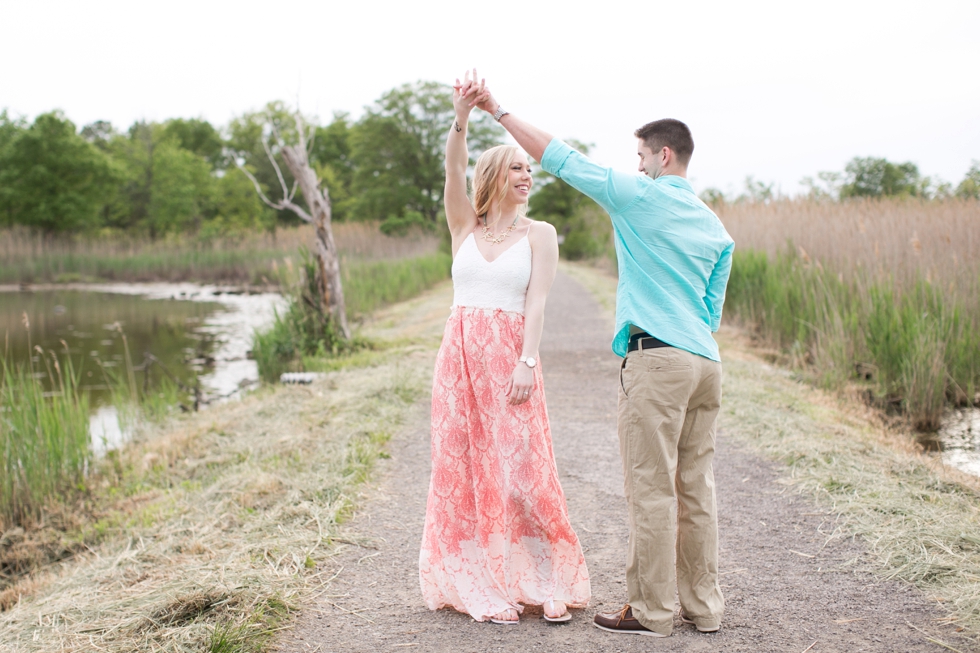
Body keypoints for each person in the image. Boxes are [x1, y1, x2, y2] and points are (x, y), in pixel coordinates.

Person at [462, 78, 734, 638]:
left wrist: (499, 110)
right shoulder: (715, 226)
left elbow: (559, 158)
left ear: (663, 156)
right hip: (706, 366)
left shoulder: (640, 195)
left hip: (658, 361)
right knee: (697, 490)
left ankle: (652, 613)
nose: (636, 167)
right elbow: (711, 312)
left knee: (652, 489)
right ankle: (704, 609)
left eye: (640, 157)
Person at [418, 70, 591, 626]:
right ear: (494, 174)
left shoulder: (540, 234)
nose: (528, 175)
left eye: (530, 169)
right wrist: (461, 116)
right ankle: (479, 576)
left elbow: (537, 303)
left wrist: (527, 361)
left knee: (525, 470)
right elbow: (451, 167)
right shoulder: (463, 226)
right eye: (518, 167)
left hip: (511, 360)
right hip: (459, 360)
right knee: (463, 467)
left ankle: (547, 582)